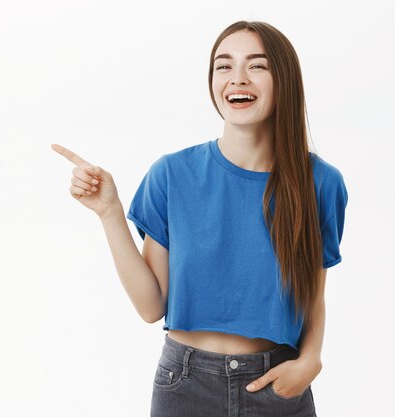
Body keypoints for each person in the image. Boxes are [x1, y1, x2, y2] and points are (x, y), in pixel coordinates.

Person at [52, 20, 347, 417]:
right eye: (223, 66)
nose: (237, 78)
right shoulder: (172, 174)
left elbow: (312, 293)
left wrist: (312, 360)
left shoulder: (320, 182)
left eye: (257, 66)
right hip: (185, 385)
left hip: (278, 386)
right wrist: (109, 213)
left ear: (285, 80)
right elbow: (151, 306)